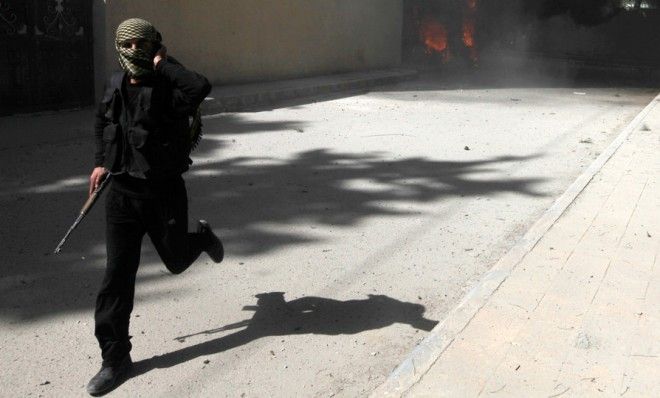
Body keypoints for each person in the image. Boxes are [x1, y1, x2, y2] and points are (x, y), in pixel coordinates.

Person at [86, 18, 224, 396]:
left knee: (177, 260)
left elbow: (200, 87)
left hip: (163, 193)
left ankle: (202, 239)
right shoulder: (114, 83)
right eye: (126, 45)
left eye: (141, 44)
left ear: (155, 45)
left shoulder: (170, 85)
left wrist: (164, 64)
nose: (133, 51)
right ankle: (115, 359)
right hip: (121, 195)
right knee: (116, 278)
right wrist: (100, 161)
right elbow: (102, 122)